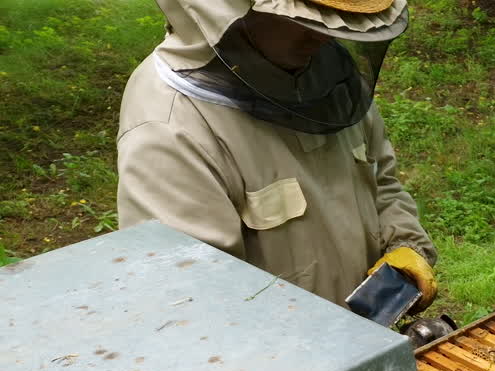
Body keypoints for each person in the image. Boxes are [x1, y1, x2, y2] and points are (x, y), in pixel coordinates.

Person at [116, 0, 437, 310]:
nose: (324, 32)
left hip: (365, 342)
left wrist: (405, 245)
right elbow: (194, 302)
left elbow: (381, 181)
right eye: (306, 16)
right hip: (272, 358)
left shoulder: (331, 78)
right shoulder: (169, 127)